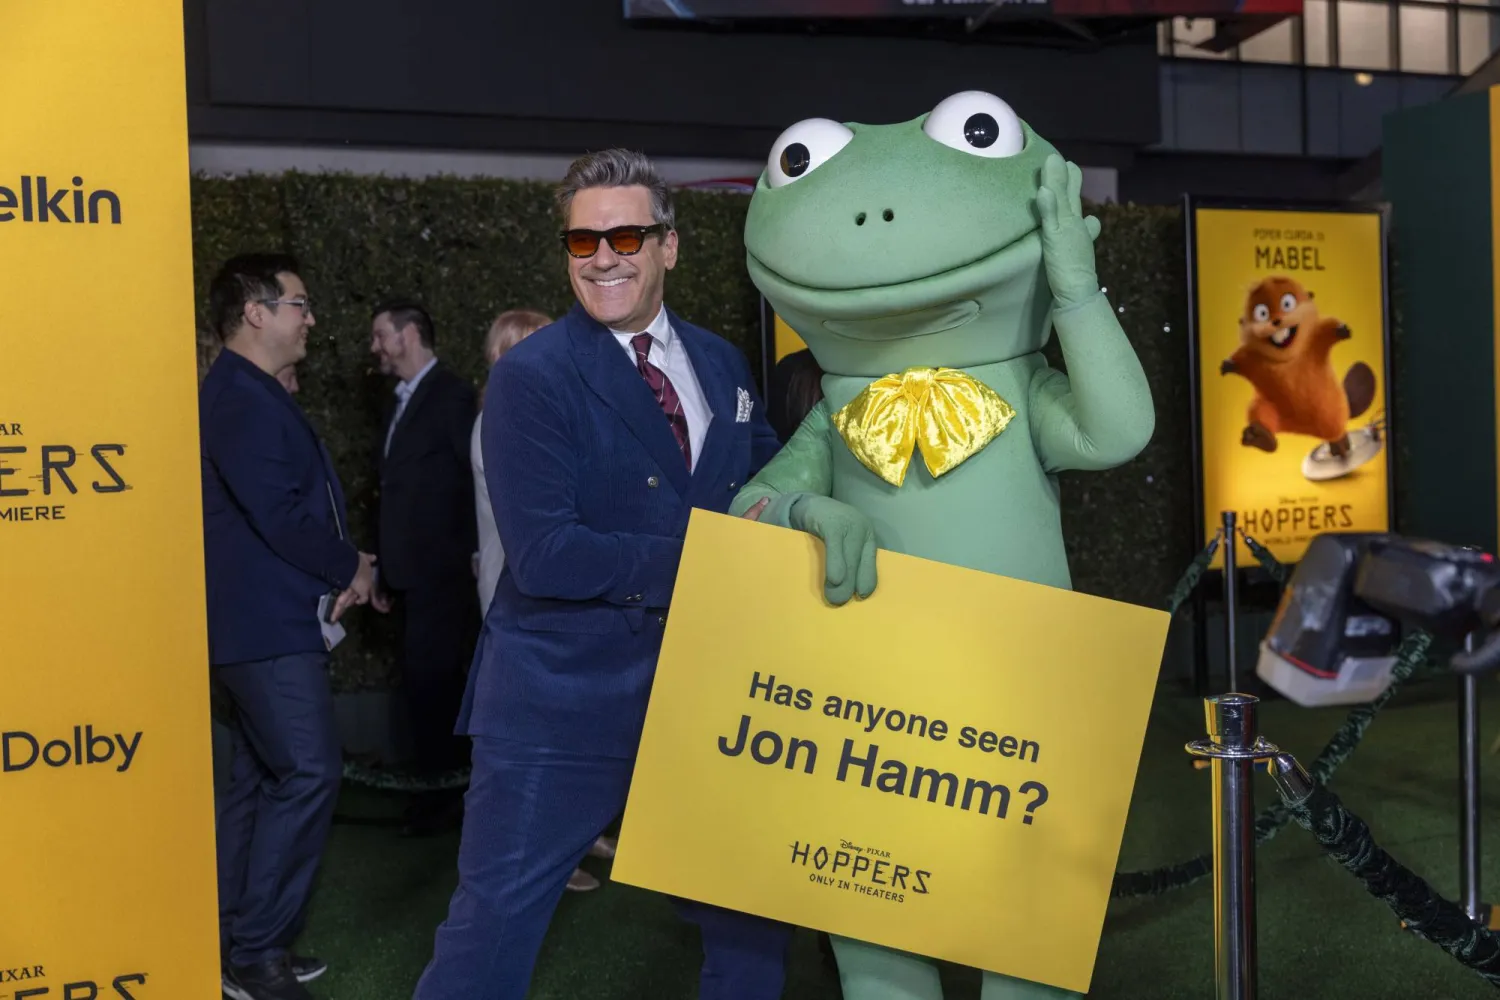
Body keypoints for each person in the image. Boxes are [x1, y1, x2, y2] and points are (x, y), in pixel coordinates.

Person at [414, 148, 791, 1000]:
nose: (605, 256)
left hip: (709, 695)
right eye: (583, 243)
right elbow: (549, 553)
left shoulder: (723, 364)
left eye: (626, 235)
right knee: (494, 927)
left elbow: (772, 480)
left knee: (750, 923)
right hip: (560, 703)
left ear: (670, 245)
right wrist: (721, 558)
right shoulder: (531, 376)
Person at [200, 253, 376, 1000]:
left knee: (259, 780)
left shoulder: (245, 393)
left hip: (256, 625)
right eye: (299, 305)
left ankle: (239, 943)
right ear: (254, 312)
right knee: (307, 772)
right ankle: (256, 953)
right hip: (264, 630)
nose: (310, 318)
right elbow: (279, 516)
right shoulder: (238, 398)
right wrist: (351, 568)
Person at [471, 307, 614, 893]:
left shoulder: (532, 415)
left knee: (574, 725)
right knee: (542, 738)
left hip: (551, 596)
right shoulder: (497, 423)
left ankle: (582, 834)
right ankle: (555, 859)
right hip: (522, 598)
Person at [368, 300, 480, 836]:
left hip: (444, 577)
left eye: (380, 336)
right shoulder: (399, 403)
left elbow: (472, 485)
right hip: (411, 577)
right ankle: (437, 795)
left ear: (410, 335)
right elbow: (396, 491)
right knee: (423, 688)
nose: (374, 348)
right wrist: (388, 571)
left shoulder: (454, 398)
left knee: (436, 686)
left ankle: (447, 800)